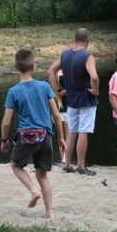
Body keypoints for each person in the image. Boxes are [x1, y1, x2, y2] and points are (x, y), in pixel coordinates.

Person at [0, 49, 65, 219]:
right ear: (34, 66)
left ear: (16, 67)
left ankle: (33, 191)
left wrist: (4, 139)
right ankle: (49, 212)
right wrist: (61, 137)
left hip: (27, 136)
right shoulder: (44, 86)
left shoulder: (13, 91)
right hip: (46, 135)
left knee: (16, 165)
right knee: (42, 174)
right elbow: (56, 114)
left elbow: (6, 122)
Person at [48, 28, 99, 176]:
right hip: (86, 99)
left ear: (75, 38)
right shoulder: (87, 56)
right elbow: (94, 78)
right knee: (84, 131)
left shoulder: (65, 54)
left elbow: (50, 71)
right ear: (87, 40)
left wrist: (59, 89)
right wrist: (95, 91)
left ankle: (68, 163)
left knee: (72, 132)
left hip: (71, 100)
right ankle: (81, 165)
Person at [54, 69, 70, 165]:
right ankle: (65, 158)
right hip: (67, 109)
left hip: (58, 109)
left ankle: (63, 157)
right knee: (68, 136)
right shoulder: (65, 74)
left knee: (61, 135)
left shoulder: (55, 74)